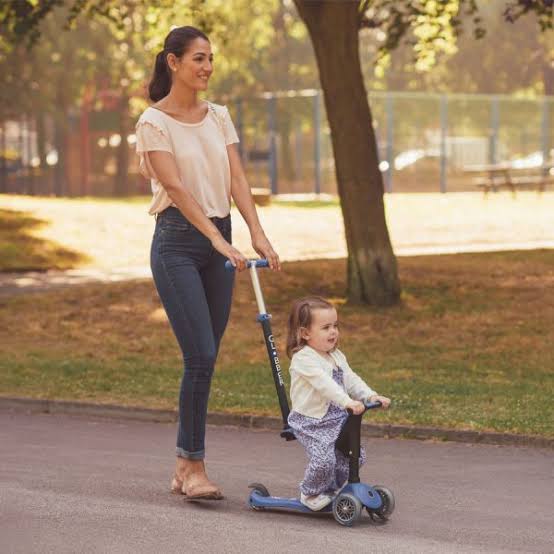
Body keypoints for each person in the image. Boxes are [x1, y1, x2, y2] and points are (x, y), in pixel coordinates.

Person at [135, 26, 280, 500]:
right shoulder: (153, 123)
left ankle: (183, 465)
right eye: (198, 58)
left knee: (206, 359)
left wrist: (255, 233)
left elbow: (237, 176)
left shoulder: (219, 116)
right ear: (173, 62)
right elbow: (175, 187)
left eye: (210, 59)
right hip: (178, 243)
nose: (207, 67)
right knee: (199, 354)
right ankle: (193, 467)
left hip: (223, 241)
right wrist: (217, 239)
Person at [286, 296, 391, 511]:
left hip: (337, 417)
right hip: (311, 421)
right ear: (305, 333)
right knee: (324, 460)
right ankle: (311, 492)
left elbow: (350, 379)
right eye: (326, 327)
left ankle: (331, 489)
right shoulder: (304, 359)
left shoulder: (335, 356)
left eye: (335, 326)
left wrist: (370, 396)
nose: (333, 332)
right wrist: (347, 402)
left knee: (355, 457)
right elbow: (325, 385)